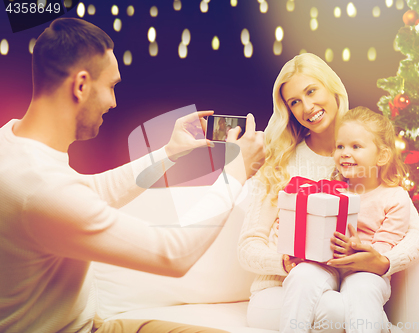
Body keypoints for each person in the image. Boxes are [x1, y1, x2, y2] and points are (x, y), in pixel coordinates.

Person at [0, 18, 265, 333]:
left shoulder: (13, 143)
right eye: (111, 86)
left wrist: (169, 152)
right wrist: (237, 170)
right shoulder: (40, 189)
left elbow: (91, 190)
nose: (113, 102)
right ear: (81, 85)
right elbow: (173, 256)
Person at [237, 53, 419, 332]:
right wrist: (285, 262)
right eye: (295, 102)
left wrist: (383, 261)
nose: (307, 107)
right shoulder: (280, 162)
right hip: (278, 289)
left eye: (311, 91)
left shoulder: (365, 156)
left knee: (340, 306)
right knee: (336, 310)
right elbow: (247, 245)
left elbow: (414, 235)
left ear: (333, 89)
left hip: (341, 284)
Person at [280, 106, 412, 333]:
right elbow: (312, 229)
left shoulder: (394, 197)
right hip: (327, 264)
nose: (344, 152)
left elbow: (383, 249)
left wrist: (360, 253)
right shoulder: (330, 190)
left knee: (362, 288)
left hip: (365, 271)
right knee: (300, 276)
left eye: (356, 146)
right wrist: (299, 250)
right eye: (339, 146)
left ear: (381, 156)